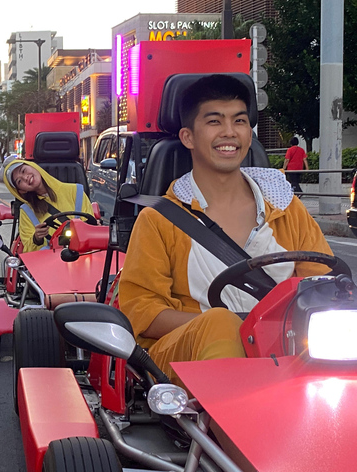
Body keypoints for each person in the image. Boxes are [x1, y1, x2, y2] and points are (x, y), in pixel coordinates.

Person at [118, 75, 332, 387]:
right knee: (219, 322)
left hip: (287, 350)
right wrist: (235, 328)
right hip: (184, 357)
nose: (229, 132)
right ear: (188, 137)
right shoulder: (159, 220)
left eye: (240, 121)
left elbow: (323, 284)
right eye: (215, 121)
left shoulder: (287, 209)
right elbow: (142, 311)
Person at [0, 156, 93, 253]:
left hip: (83, 253)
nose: (25, 177)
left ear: (33, 166)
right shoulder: (27, 211)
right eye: (19, 181)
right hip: (50, 261)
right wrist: (37, 238)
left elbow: (91, 228)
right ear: (21, 190)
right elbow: (28, 250)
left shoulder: (76, 191)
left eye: (23, 171)